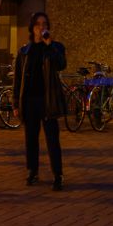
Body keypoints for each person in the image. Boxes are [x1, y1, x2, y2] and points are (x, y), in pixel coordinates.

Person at [13, 12, 67, 191]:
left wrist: (50, 44)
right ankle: (32, 171)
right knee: (31, 138)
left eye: (44, 24)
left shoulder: (55, 47)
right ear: (32, 27)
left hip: (48, 100)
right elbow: (18, 79)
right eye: (38, 24)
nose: (41, 27)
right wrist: (15, 103)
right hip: (30, 101)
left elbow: (61, 64)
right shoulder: (24, 51)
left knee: (52, 139)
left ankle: (58, 174)